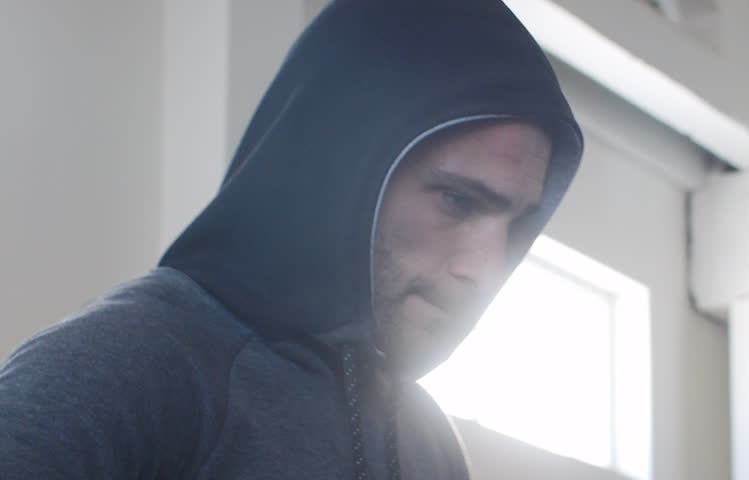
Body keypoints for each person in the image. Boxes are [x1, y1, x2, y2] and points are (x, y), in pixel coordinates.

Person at [0, 0, 583, 478]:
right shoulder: (131, 366)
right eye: (457, 200)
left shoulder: (428, 443)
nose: (485, 267)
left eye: (516, 224)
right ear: (342, 174)